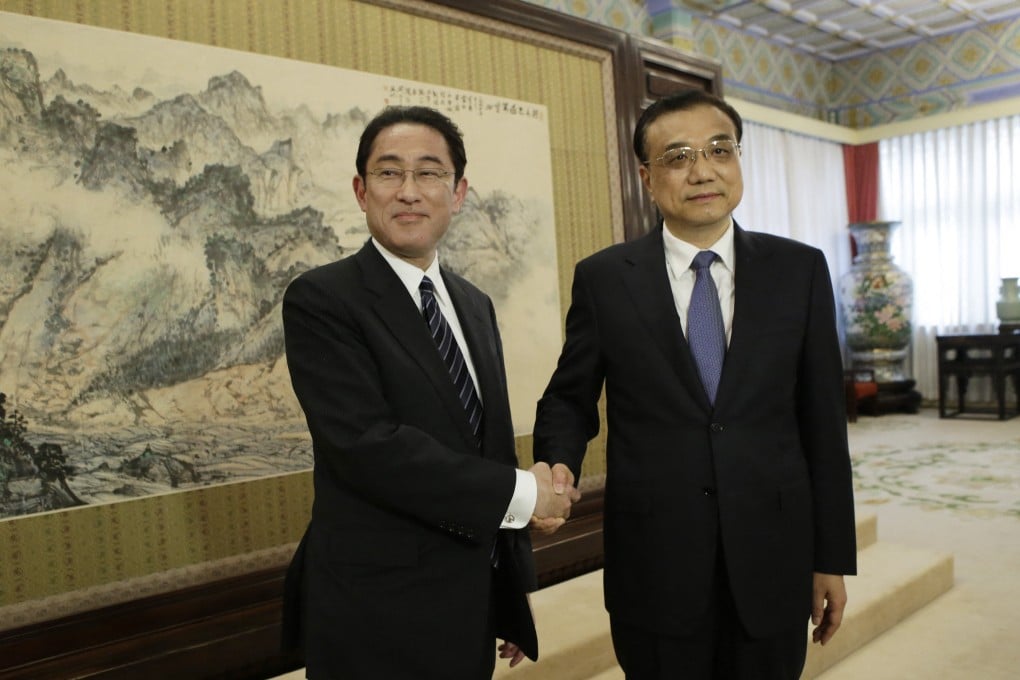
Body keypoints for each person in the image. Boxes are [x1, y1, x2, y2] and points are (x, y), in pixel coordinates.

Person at [533, 90, 857, 679]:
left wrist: (830, 556)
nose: (702, 170)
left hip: (773, 558)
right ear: (646, 178)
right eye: (678, 157)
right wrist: (557, 463)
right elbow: (568, 396)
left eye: (719, 150)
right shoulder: (606, 279)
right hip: (655, 563)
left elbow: (823, 424)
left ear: (738, 160)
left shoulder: (800, 270)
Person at [280, 105, 577, 679]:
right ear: (362, 191)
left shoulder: (472, 303)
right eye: (389, 173)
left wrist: (508, 596)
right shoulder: (322, 299)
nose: (409, 191)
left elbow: (485, 445)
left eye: (429, 172)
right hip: (373, 615)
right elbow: (369, 447)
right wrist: (526, 494)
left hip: (468, 604)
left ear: (459, 192)